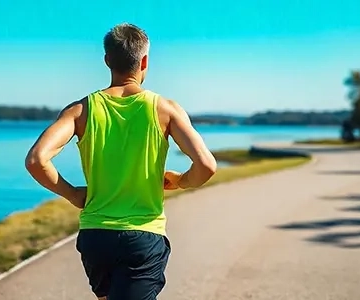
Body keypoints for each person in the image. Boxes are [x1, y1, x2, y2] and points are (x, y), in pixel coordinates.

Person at [25, 23, 217, 300]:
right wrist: (181, 181)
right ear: (145, 61)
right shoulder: (166, 109)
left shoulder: (81, 109)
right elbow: (207, 166)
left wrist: (73, 194)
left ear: (106, 61)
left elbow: (36, 160)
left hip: (95, 236)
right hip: (142, 236)